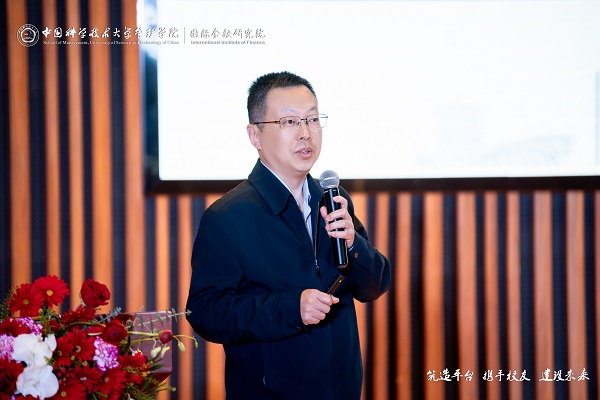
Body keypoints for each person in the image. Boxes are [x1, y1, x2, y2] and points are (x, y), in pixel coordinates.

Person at [186, 71, 391, 400]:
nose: (306, 133)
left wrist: (355, 245)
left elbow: (374, 286)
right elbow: (206, 312)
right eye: (290, 122)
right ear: (255, 135)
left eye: (313, 119)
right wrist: (290, 308)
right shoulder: (227, 217)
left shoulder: (333, 199)